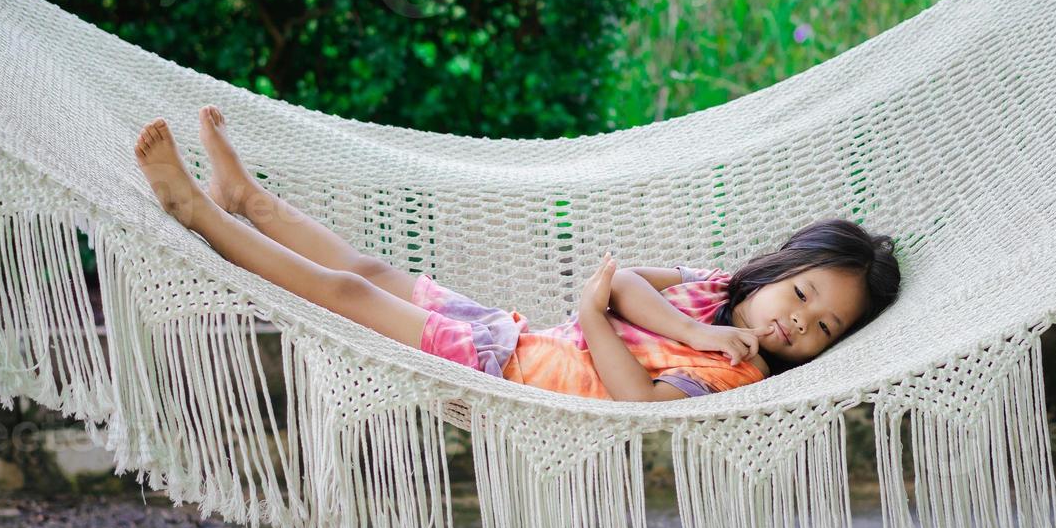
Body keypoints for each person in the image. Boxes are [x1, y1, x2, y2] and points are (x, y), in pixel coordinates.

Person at [134, 107, 900, 402]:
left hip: (510, 373)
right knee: (367, 272)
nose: (799, 325)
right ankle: (249, 202)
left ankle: (195, 210)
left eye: (826, 328)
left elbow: (636, 403)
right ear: (777, 270)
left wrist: (589, 315)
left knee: (346, 293)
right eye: (801, 296)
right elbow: (630, 282)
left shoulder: (738, 374)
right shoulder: (713, 298)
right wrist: (693, 328)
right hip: (512, 336)